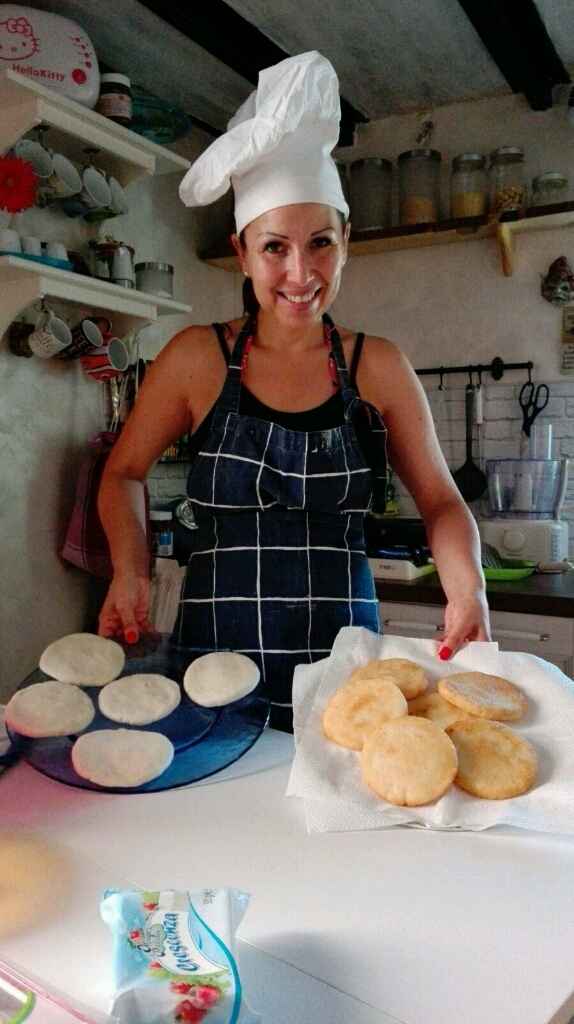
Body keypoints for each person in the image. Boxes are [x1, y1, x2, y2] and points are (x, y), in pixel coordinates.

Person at [97, 51, 490, 731]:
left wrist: (469, 586)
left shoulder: (378, 366)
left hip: (345, 669)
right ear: (243, 251)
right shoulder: (197, 359)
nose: (300, 271)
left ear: (347, 243)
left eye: (320, 244)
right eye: (274, 247)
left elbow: (442, 503)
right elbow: (123, 474)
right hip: (213, 662)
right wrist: (129, 568)